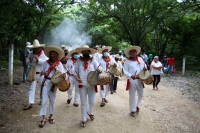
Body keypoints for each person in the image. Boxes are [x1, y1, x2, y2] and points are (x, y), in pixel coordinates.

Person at [74, 45, 102, 127]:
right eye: (84, 51)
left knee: (92, 101)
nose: (86, 53)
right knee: (83, 103)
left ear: (89, 52)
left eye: (87, 51)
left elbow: (99, 69)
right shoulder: (78, 61)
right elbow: (74, 72)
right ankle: (83, 119)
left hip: (92, 84)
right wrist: (77, 78)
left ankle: (89, 112)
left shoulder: (93, 60)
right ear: (82, 53)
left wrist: (99, 70)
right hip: (82, 84)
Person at [38, 45, 65, 127]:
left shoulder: (59, 63)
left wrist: (63, 76)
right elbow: (41, 71)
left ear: (57, 55)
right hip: (46, 82)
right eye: (51, 54)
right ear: (49, 55)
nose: (52, 56)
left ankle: (51, 115)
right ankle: (43, 117)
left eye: (54, 54)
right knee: (44, 99)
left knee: (53, 99)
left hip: (54, 83)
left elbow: (63, 73)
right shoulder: (45, 63)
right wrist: (42, 72)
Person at [23, 39, 48, 110]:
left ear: (40, 48)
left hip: (41, 74)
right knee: (31, 88)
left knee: (42, 88)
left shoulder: (44, 53)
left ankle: (41, 100)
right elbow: (27, 62)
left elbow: (46, 62)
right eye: (34, 48)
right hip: (33, 73)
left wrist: (38, 59)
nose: (35, 49)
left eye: (37, 48)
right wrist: (30, 61)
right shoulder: (31, 53)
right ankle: (30, 102)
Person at [123, 46, 146, 117]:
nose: (133, 53)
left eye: (134, 51)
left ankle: (137, 105)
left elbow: (144, 66)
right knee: (132, 95)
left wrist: (145, 69)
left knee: (141, 94)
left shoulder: (140, 59)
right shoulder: (127, 61)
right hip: (132, 80)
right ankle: (132, 110)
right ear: (129, 53)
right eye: (132, 52)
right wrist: (130, 75)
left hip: (140, 79)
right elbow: (124, 71)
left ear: (136, 52)